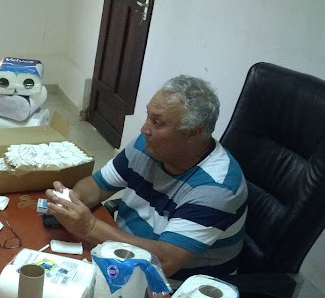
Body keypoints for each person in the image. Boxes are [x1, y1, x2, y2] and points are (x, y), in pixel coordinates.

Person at [47, 76, 248, 279]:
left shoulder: (216, 188)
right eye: (148, 116)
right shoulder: (146, 146)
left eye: (157, 122)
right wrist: (69, 201)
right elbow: (97, 186)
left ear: (193, 133)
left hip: (173, 290)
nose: (144, 129)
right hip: (120, 255)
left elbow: (165, 262)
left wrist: (90, 226)